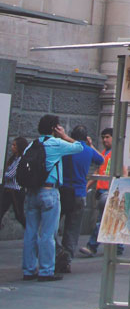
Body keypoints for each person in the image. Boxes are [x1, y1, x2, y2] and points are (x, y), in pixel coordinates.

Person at [22, 115, 83, 282]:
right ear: (54, 128)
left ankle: (28, 270)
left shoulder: (32, 145)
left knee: (30, 232)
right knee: (48, 234)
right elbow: (79, 147)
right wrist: (64, 135)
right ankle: (46, 271)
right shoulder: (55, 143)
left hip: (32, 193)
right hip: (49, 192)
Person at [57, 126, 104, 271]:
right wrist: (90, 145)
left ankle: (57, 253)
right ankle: (67, 259)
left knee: (52, 227)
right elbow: (101, 160)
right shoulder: (88, 150)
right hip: (79, 193)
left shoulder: (66, 147)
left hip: (63, 191)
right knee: (73, 229)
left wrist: (64, 137)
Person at [80, 127, 114, 255]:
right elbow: (99, 170)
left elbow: (101, 160)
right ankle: (119, 247)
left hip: (108, 191)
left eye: (107, 137)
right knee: (109, 220)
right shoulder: (105, 152)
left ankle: (92, 246)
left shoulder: (115, 153)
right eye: (103, 137)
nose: (105, 140)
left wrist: (91, 146)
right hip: (102, 191)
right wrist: (88, 185)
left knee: (102, 220)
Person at [0, 135, 27, 230]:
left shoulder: (20, 160)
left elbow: (10, 174)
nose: (12, 147)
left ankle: (30, 232)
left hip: (16, 190)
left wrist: (3, 174)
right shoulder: (13, 159)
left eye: (14, 145)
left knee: (19, 215)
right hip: (8, 189)